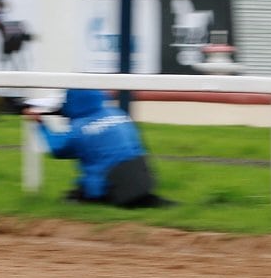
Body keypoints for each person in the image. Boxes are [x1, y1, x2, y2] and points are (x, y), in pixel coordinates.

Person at [24, 89, 172, 208]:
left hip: (112, 187)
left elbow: (58, 149)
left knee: (73, 196)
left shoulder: (79, 129)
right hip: (144, 179)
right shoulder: (117, 113)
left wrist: (40, 124)